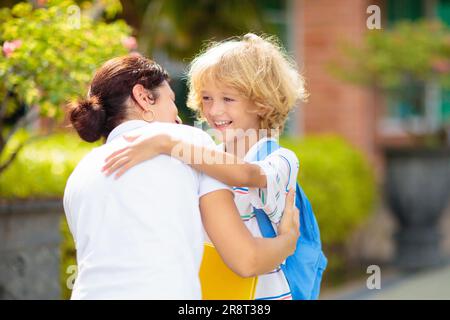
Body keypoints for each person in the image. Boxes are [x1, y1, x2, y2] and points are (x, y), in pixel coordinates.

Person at [64, 53, 300, 300]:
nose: (177, 115)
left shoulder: (81, 172)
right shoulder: (189, 142)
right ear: (144, 97)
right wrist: (289, 239)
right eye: (172, 100)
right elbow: (247, 260)